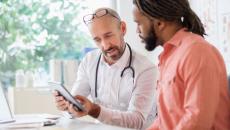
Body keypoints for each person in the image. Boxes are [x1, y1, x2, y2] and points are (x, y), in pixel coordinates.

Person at [54, 7, 158, 129]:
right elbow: (76, 101)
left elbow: (137, 121)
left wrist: (94, 110)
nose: (105, 45)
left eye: (108, 35)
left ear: (122, 29)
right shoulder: (89, 61)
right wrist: (68, 107)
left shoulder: (146, 68)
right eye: (97, 40)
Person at [132, 0, 230, 130]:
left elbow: (197, 122)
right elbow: (165, 121)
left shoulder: (197, 52)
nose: (137, 30)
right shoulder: (168, 57)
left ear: (159, 23)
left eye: (139, 23)